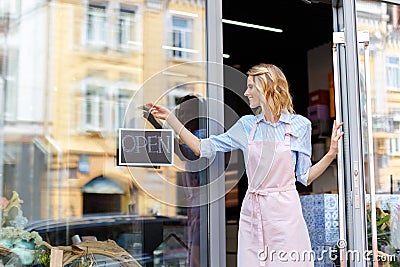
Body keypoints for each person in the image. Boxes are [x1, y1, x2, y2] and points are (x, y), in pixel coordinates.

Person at [146, 63, 343, 266]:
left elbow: (304, 177)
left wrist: (331, 154)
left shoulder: (300, 125)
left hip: (285, 213)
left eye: (250, 87)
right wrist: (170, 118)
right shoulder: (246, 125)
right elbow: (200, 147)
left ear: (265, 87)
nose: (246, 92)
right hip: (254, 211)